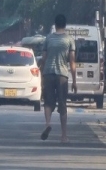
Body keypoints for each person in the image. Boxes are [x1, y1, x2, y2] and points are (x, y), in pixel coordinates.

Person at [39, 14, 76, 143]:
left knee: (48, 102)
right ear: (65, 25)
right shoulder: (69, 40)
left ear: (55, 25)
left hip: (48, 73)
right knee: (62, 104)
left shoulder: (48, 39)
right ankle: (64, 136)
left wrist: (42, 77)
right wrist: (74, 81)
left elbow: (43, 59)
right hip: (62, 75)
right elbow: (72, 61)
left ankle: (48, 123)